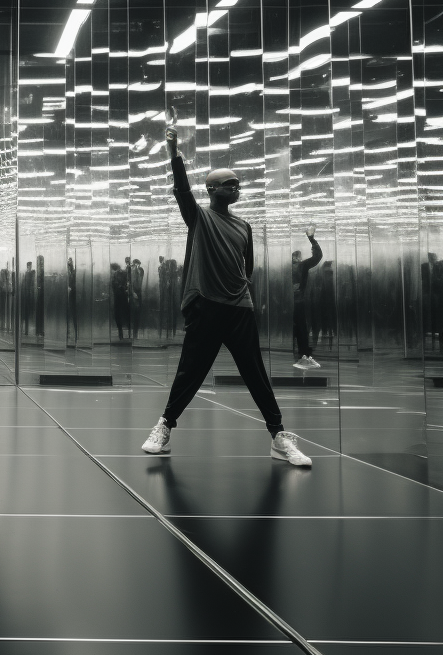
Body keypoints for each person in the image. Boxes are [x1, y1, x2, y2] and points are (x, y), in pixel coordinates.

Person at [141, 128, 312, 467]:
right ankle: (164, 426)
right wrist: (173, 150)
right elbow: (182, 190)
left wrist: (237, 290)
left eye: (237, 184)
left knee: (255, 373)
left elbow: (246, 267)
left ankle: (278, 436)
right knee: (191, 371)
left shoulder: (244, 226)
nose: (236, 188)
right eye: (230, 184)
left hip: (239, 309)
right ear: (212, 190)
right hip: (206, 307)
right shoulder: (199, 217)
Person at [292, 228, 323, 371]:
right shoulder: (301, 265)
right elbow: (318, 256)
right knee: (301, 329)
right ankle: (303, 355)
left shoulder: (282, 267)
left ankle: (302, 354)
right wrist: (311, 239)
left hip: (287, 304)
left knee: (297, 329)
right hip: (298, 302)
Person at [111, 262, 129, 341]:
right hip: (122, 296)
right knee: (123, 314)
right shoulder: (123, 273)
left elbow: (115, 284)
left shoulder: (116, 274)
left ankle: (121, 333)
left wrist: (119, 287)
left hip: (118, 296)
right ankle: (123, 333)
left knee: (118, 314)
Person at [21, 261, 34, 335]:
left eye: (31, 266)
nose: (31, 267)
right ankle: (25, 330)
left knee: (26, 314)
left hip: (27, 296)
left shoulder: (29, 274)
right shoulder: (27, 274)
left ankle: (26, 330)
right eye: (30, 266)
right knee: (25, 314)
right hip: (26, 296)